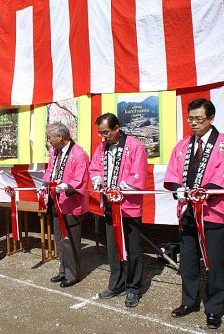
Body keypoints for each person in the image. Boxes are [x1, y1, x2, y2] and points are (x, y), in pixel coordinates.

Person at [164, 98, 224, 330]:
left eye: (199, 119)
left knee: (213, 262)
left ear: (211, 118)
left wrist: (202, 193)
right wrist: (177, 188)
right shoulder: (183, 144)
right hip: (187, 212)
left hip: (211, 212)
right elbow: (173, 173)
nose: (194, 123)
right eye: (191, 119)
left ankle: (215, 308)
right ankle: (189, 301)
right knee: (187, 261)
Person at [89, 113, 148, 307]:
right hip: (108, 205)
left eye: (106, 132)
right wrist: (97, 180)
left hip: (128, 206)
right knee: (113, 248)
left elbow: (138, 174)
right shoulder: (102, 147)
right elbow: (95, 168)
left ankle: (133, 288)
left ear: (117, 128)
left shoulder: (134, 146)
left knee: (132, 249)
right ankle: (116, 284)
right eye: (100, 133)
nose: (103, 137)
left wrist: (122, 186)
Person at [43, 122, 89, 288]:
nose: (49, 141)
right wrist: (46, 183)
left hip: (71, 203)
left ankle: (72, 274)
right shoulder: (55, 152)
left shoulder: (79, 153)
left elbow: (80, 178)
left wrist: (67, 186)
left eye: (50, 137)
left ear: (60, 137)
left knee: (70, 239)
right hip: (57, 201)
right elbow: (49, 171)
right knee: (60, 239)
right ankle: (63, 270)